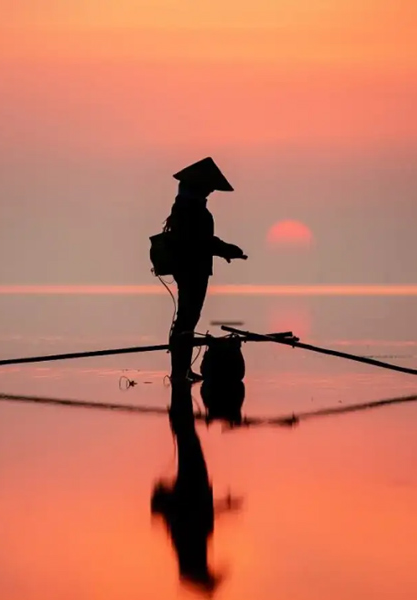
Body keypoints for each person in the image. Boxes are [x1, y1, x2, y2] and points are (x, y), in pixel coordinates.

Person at [151, 381, 242, 595]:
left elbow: (195, 513)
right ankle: (180, 394)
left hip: (192, 482)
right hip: (194, 482)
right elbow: (198, 513)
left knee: (187, 438)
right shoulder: (191, 546)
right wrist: (224, 507)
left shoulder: (189, 546)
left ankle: (180, 394)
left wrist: (223, 507)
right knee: (188, 438)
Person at [163, 157, 247, 382]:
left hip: (190, 268)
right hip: (192, 270)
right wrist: (226, 249)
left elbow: (202, 241)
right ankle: (180, 372)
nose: (210, 191)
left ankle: (181, 371)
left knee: (187, 318)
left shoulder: (186, 206)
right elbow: (201, 241)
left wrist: (224, 250)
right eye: (208, 186)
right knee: (187, 319)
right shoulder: (192, 210)